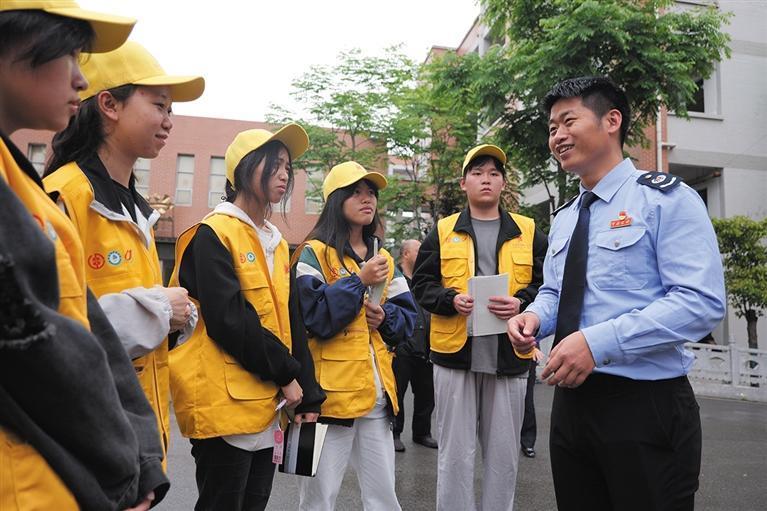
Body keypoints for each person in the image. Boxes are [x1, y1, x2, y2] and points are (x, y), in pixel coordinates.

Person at [507, 76, 727, 511]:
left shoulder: (665, 199)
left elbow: (699, 301)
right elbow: (555, 291)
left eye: (569, 121)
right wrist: (534, 317)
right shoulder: (566, 217)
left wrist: (597, 343)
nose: (557, 136)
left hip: (644, 405)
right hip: (571, 404)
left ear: (612, 121)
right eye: (552, 128)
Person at [0, 2, 169, 510]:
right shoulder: (62, 192)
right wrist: (120, 468)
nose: (80, 78)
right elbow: (44, 350)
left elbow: (85, 327)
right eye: (69, 54)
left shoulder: (19, 180)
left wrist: (139, 462)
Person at [43, 40, 205, 457]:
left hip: (139, 438)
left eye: (171, 110)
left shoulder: (138, 211)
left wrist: (172, 316)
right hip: (86, 441)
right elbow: (49, 329)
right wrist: (161, 309)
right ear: (109, 105)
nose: (169, 122)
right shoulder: (64, 198)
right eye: (159, 105)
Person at [169, 124, 325, 511]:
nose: (284, 174)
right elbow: (230, 321)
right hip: (224, 405)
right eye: (274, 164)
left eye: (287, 166)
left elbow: (291, 321)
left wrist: (309, 393)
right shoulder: (212, 233)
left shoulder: (275, 241)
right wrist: (286, 374)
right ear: (243, 169)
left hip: (268, 406)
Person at [411, 144, 547, 511]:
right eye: (477, 173)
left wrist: (521, 301)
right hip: (455, 356)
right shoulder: (443, 231)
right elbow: (421, 284)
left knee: (504, 458)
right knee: (454, 456)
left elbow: (547, 284)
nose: (486, 179)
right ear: (464, 183)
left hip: (509, 355)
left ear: (503, 183)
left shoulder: (528, 230)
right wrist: (450, 299)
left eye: (493, 173)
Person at [294, 161, 417, 511]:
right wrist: (359, 281)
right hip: (327, 401)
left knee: (384, 498)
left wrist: (386, 318)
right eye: (356, 192)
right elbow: (313, 317)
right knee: (317, 499)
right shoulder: (312, 253)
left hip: (377, 397)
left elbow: (409, 321)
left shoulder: (384, 258)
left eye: (371, 193)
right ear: (336, 200)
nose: (367, 199)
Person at [392, 238, 437, 452]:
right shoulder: (395, 279)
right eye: (419, 250)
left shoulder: (425, 280)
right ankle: (394, 432)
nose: (423, 253)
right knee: (397, 393)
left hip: (427, 345)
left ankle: (422, 433)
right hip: (402, 346)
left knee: (426, 393)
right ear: (406, 254)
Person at [520, 347, 544, 458]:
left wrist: (533, 346)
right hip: (504, 354)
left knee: (528, 400)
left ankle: (528, 441)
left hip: (527, 353)